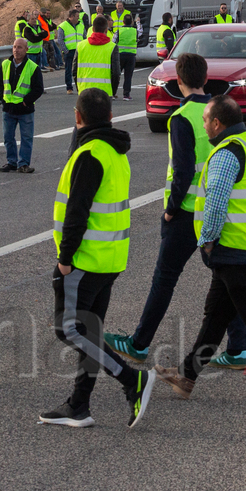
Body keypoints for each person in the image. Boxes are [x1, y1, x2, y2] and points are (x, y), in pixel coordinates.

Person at [155, 95, 246, 409]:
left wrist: (206, 240)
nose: (205, 126)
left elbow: (216, 203)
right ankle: (187, 375)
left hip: (237, 249)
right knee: (216, 315)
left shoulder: (226, 153)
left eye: (206, 121)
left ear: (217, 123)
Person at [104, 54, 246, 369]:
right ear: (206, 77)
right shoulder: (221, 111)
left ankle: (140, 343)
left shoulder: (181, 117)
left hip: (186, 212)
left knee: (165, 278)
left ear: (178, 81)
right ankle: (238, 349)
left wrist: (170, 210)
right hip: (218, 210)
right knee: (227, 280)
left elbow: (182, 171)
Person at [40, 88, 155, 428]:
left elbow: (77, 212)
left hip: (85, 259)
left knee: (68, 328)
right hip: (110, 258)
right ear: (110, 117)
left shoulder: (90, 154)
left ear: (78, 118)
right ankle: (78, 405)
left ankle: (131, 380)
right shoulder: (116, 153)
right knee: (90, 333)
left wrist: (64, 258)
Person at [0, 37, 43, 174]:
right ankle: (11, 162)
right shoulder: (6, 64)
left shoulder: (33, 67)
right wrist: (3, 99)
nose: (16, 50)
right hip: (8, 108)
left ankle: (23, 163)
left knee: (26, 138)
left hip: (25, 110)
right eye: (14, 47)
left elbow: (38, 88)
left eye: (19, 47)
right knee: (8, 137)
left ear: (26, 50)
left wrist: (26, 101)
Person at [75, 15, 120, 97]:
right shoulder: (112, 47)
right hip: (105, 91)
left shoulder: (80, 46)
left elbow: (74, 70)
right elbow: (116, 73)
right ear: (106, 30)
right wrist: (113, 91)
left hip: (84, 91)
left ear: (92, 29)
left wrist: (79, 88)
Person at [59, 9, 85, 94]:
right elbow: (60, 40)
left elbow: (85, 38)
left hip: (80, 51)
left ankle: (80, 87)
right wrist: (65, 51)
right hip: (69, 52)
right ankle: (69, 88)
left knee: (80, 71)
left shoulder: (81, 25)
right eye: (77, 16)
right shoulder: (63, 26)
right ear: (72, 16)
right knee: (69, 70)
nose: (78, 18)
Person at [117, 12, 138, 101]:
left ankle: (113, 93)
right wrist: (138, 23)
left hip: (120, 55)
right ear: (132, 22)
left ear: (123, 22)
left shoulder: (119, 31)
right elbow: (140, 33)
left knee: (116, 75)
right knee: (128, 76)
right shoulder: (135, 31)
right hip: (131, 56)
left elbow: (114, 41)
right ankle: (126, 94)